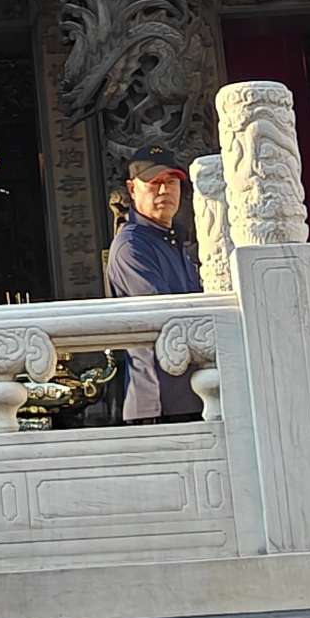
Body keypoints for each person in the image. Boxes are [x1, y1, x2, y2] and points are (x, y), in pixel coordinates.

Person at [105, 143, 205, 423]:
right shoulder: (132, 246)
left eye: (171, 182)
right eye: (154, 183)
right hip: (158, 403)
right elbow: (163, 317)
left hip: (192, 394)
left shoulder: (172, 241)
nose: (164, 191)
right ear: (132, 189)